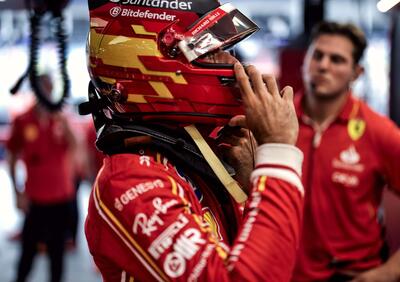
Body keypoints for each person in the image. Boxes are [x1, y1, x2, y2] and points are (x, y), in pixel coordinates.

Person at [83, 0, 304, 281]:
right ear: (153, 65)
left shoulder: (191, 155)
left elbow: (271, 262)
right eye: (212, 51)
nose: (235, 64)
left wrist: (252, 188)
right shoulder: (130, 180)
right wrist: (279, 152)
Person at [292, 21, 400, 281]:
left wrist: (389, 272)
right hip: (285, 273)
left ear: (356, 72)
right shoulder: (277, 121)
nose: (324, 65)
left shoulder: (377, 131)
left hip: (352, 274)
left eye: (337, 60)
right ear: (305, 61)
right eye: (317, 55)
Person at [6, 74, 77, 282]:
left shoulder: (61, 118)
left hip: (61, 196)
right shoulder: (23, 120)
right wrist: (17, 192)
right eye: (42, 87)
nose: (46, 91)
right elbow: (11, 156)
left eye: (49, 87)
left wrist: (63, 122)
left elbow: (76, 146)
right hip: (35, 199)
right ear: (36, 90)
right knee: (28, 252)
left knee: (57, 253)